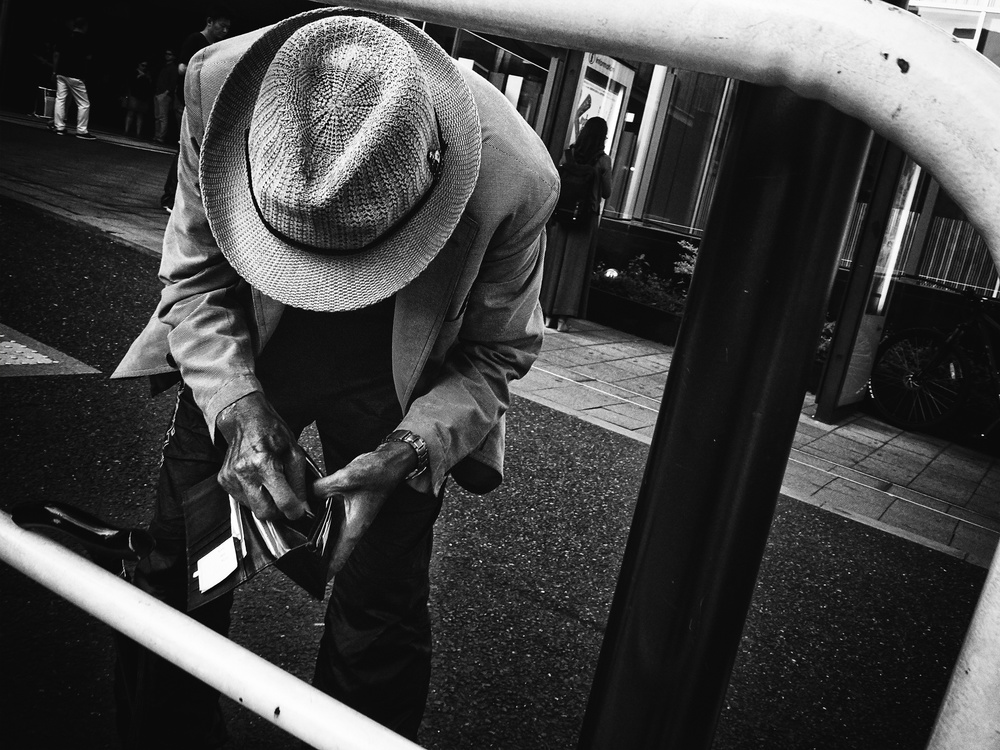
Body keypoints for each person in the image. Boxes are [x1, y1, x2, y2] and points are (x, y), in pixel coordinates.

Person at [111, 8, 558, 747]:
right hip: (246, 340)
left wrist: (410, 452)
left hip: (409, 382)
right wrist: (235, 407)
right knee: (177, 568)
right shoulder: (217, 85)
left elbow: (496, 354)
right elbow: (194, 281)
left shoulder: (516, 177)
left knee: (377, 616)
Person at [540, 116, 613, 332]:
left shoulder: (569, 154)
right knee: (574, 269)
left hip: (562, 216)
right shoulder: (603, 160)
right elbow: (607, 192)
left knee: (555, 264)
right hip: (585, 219)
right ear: (602, 137)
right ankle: (563, 320)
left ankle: (546, 315)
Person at [159, 5, 232, 212]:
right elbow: (182, 68)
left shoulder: (215, 46)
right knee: (184, 150)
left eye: (228, 28)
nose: (225, 31)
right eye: (221, 26)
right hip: (184, 101)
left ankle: (180, 199)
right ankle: (169, 198)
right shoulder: (196, 40)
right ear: (210, 21)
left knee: (191, 151)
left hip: (197, 103)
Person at [50, 16, 97, 140]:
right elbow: (88, 59)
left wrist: (54, 71)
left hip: (61, 72)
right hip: (76, 74)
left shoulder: (64, 37)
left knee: (60, 99)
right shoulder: (86, 40)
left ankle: (59, 126)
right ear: (84, 27)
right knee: (84, 104)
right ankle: (81, 130)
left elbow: (56, 54)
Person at [152, 50, 178, 144]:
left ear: (173, 57)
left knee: (162, 117)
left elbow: (173, 83)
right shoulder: (165, 67)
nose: (167, 56)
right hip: (159, 93)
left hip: (164, 95)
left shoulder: (173, 68)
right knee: (158, 116)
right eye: (166, 54)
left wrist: (165, 93)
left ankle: (160, 137)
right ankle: (157, 135)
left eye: (170, 54)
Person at [124, 60, 153, 138]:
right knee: (131, 113)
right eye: (142, 65)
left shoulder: (147, 74)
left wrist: (146, 77)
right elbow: (130, 83)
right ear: (139, 65)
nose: (144, 67)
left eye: (145, 66)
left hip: (143, 96)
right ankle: (126, 131)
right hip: (134, 95)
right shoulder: (134, 73)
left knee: (140, 115)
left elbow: (150, 85)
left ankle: (138, 133)